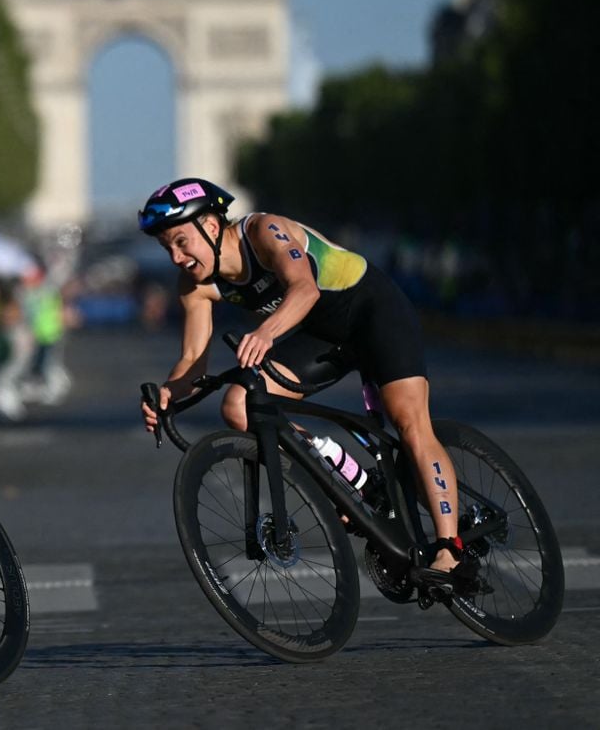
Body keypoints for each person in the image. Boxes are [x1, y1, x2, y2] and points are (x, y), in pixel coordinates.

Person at [137, 177, 471, 586]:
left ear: (209, 225)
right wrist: (169, 393)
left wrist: (266, 333)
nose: (175, 256)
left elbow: (305, 290)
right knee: (239, 406)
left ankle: (451, 550)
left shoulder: (262, 231)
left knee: (409, 422)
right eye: (165, 247)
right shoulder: (196, 285)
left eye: (180, 241)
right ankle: (351, 480)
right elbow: (192, 359)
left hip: (370, 310)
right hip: (322, 336)